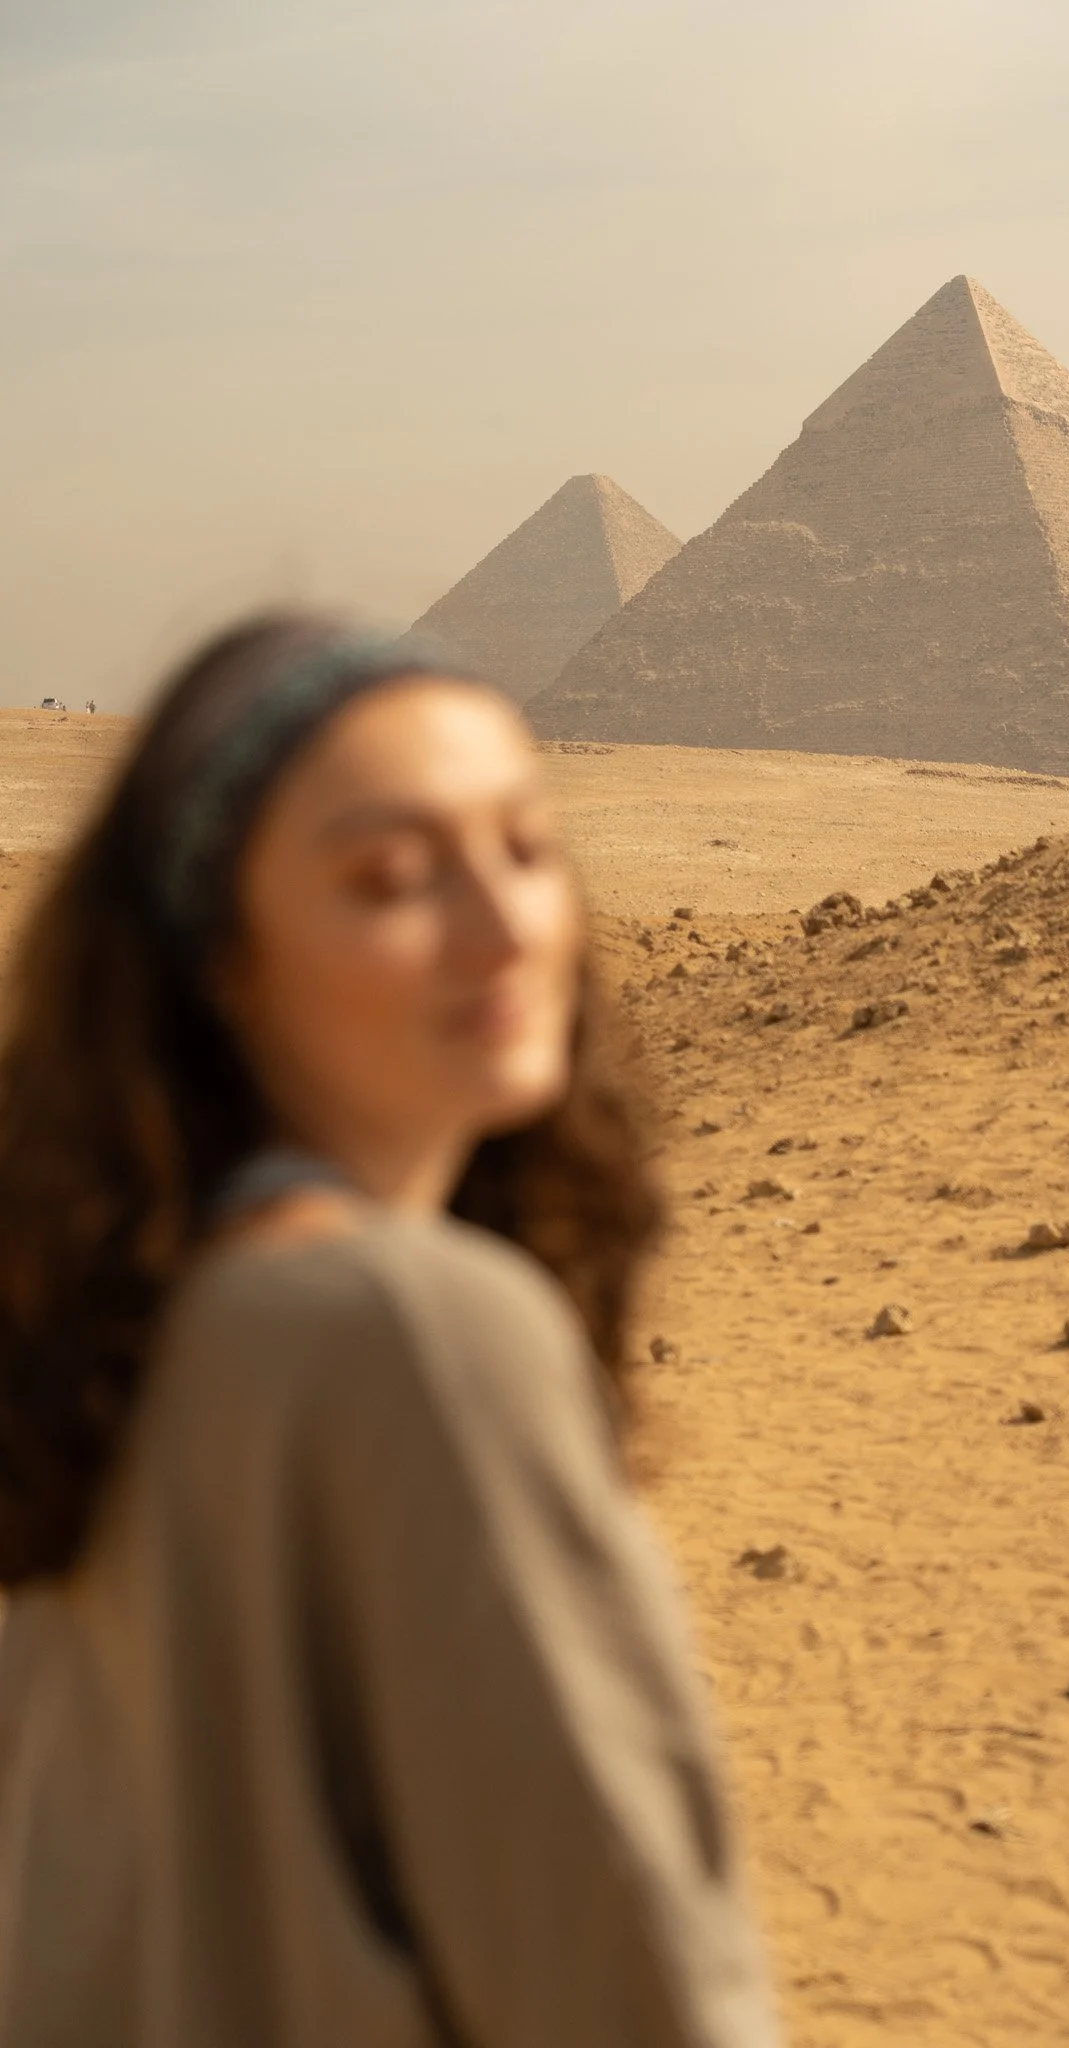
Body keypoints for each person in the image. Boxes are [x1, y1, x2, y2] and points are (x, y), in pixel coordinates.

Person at [0, 614, 778, 2046]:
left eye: (530, 851)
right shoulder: (413, 1330)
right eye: (392, 877)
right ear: (218, 956)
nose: (505, 929)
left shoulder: (94, 1339)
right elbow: (625, 1977)